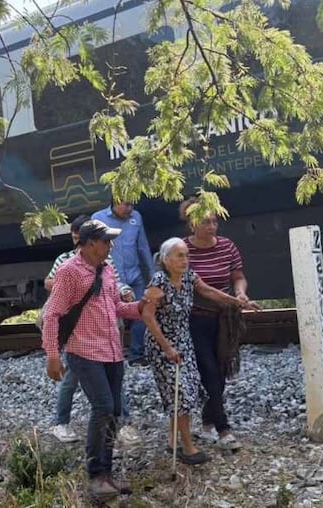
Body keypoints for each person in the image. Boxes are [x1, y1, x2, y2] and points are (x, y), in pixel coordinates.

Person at [41, 219, 147, 501]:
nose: (110, 245)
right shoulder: (68, 272)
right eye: (106, 241)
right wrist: (52, 355)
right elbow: (52, 315)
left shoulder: (108, 269)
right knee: (103, 407)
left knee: (112, 412)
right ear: (88, 244)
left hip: (112, 351)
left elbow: (116, 308)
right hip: (84, 352)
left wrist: (141, 308)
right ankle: (95, 475)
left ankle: (107, 473)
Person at [141, 238, 262, 465]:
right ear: (166, 260)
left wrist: (239, 302)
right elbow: (147, 316)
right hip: (162, 344)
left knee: (181, 390)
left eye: (187, 255)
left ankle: (172, 438)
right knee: (180, 394)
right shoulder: (157, 282)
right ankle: (188, 448)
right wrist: (167, 347)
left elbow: (209, 292)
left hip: (184, 341)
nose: (185, 260)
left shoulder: (189, 277)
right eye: (180, 256)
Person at [180, 198, 250, 447]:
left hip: (224, 319)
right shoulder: (184, 251)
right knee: (208, 370)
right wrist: (233, 299)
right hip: (195, 319)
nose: (212, 226)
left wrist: (240, 293)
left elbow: (238, 276)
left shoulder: (227, 246)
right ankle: (223, 429)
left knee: (220, 372)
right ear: (192, 225)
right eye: (205, 222)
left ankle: (208, 422)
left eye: (214, 221)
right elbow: (203, 289)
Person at [93, 200, 153, 363]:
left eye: (132, 205)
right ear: (115, 202)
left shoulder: (136, 217)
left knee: (142, 312)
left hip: (135, 275)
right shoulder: (98, 218)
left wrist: (152, 274)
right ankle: (112, 356)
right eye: (126, 205)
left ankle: (137, 354)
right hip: (112, 277)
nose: (130, 209)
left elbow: (143, 247)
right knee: (111, 317)